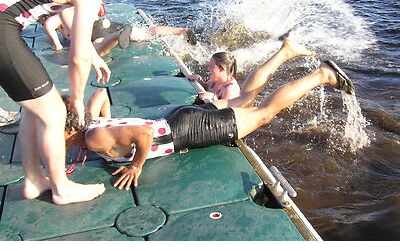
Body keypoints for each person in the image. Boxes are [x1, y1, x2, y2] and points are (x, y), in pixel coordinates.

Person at [63, 39, 354, 191]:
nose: (54, 142)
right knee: (247, 98)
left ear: (68, 130)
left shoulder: (93, 138)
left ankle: (322, 75)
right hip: (181, 120)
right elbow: (100, 96)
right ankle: (285, 52)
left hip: (187, 130)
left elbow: (144, 135)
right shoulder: (91, 125)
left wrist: (136, 165)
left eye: (56, 135)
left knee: (264, 113)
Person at [0, 0, 130, 205]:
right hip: (3, 27)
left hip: (7, 24)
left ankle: (35, 180)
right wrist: (78, 99)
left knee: (34, 107)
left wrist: (92, 54)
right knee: (54, 113)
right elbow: (76, 56)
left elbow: (68, 21)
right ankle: (61, 189)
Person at [42, 9, 197, 53]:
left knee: (98, 49)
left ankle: (116, 37)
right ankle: (180, 31)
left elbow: (49, 24)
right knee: (146, 33)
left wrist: (57, 45)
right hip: (103, 23)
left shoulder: (57, 17)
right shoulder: (72, 8)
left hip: (94, 32)